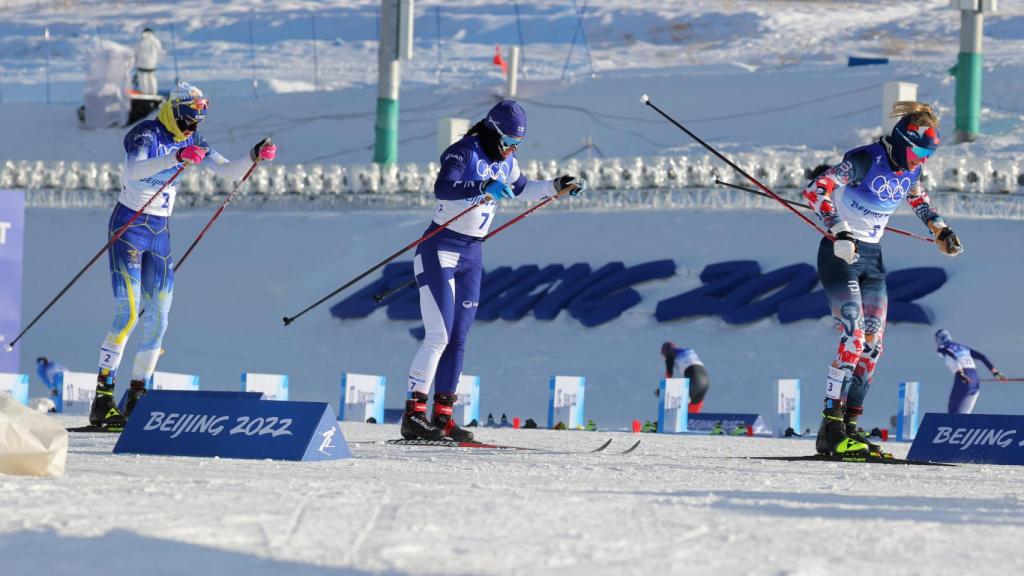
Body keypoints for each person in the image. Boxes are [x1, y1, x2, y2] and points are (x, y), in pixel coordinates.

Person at [89, 81, 277, 428]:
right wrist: (175, 157)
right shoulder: (146, 133)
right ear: (174, 113)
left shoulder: (193, 139)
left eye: (196, 123)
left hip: (160, 232)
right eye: (188, 121)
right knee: (128, 314)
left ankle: (137, 397)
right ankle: (102, 399)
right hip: (129, 226)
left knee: (158, 319)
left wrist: (253, 156)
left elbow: (225, 169)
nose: (192, 129)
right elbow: (134, 170)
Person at [401, 100, 587, 441]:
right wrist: (482, 186)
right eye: (508, 142)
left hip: (472, 254)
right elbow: (443, 187)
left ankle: (442, 416)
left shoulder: (507, 162)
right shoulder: (464, 151)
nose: (512, 150)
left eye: (518, 144)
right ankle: (413, 415)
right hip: (440, 248)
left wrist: (557, 184)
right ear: (492, 131)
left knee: (459, 338)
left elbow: (522, 188)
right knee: (439, 335)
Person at [802, 101, 962, 456]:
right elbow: (816, 189)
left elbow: (918, 199)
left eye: (928, 155)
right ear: (903, 141)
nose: (921, 161)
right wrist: (839, 229)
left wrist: (941, 229)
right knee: (854, 339)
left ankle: (849, 426)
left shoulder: (910, 171)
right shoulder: (865, 160)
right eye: (919, 152)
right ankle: (830, 427)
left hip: (872, 259)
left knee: (873, 345)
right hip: (840, 253)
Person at [935, 329, 1007, 414]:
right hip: (975, 379)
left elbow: (951, 358)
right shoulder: (963, 347)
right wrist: (996, 373)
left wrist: (961, 373)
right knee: (964, 416)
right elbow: (982, 356)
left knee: (952, 414)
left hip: (963, 379)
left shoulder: (942, 348)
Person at [659, 342, 710, 413]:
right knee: (692, 413)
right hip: (705, 381)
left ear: (665, 352)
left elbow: (669, 374)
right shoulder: (688, 350)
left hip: (695, 381)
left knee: (674, 408)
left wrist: (665, 388)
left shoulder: (670, 353)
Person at [134, 28, 163, 96]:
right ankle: (153, 93)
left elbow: (135, 53)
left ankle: (144, 93)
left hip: (141, 64)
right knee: (152, 78)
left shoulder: (141, 42)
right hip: (152, 64)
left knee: (143, 78)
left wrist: (136, 62)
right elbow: (160, 51)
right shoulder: (156, 41)